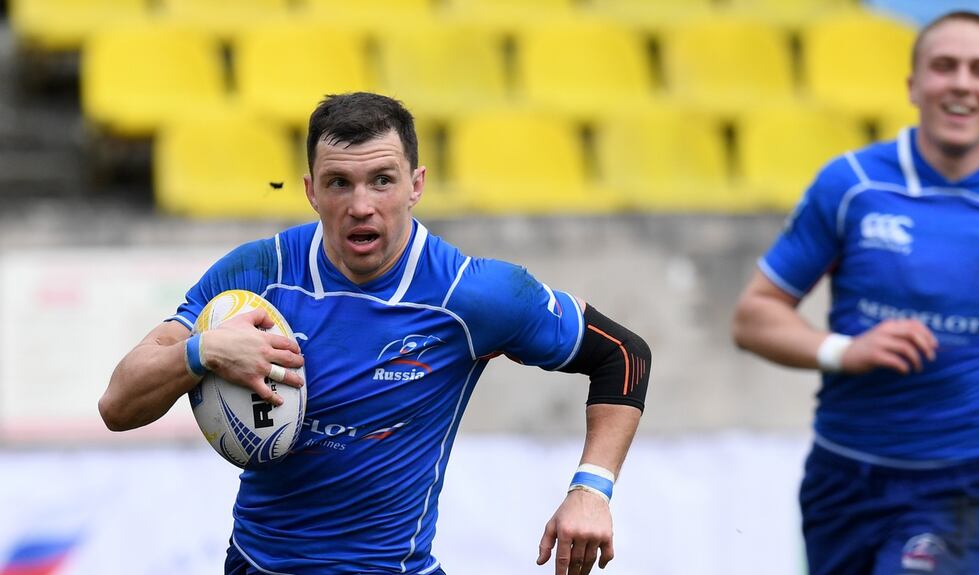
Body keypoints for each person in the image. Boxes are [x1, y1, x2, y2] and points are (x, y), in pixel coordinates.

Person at [98, 92, 650, 575]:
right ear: (312, 191)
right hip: (257, 565)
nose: (361, 206)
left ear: (416, 185)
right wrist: (203, 351)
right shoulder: (256, 275)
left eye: (382, 180)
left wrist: (591, 489)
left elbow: (623, 355)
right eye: (340, 183)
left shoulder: (473, 294)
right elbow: (117, 405)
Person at [732, 10, 979, 575]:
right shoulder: (852, 186)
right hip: (844, 474)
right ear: (914, 86)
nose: (962, 82)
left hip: (968, 478)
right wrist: (846, 350)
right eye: (944, 67)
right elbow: (753, 317)